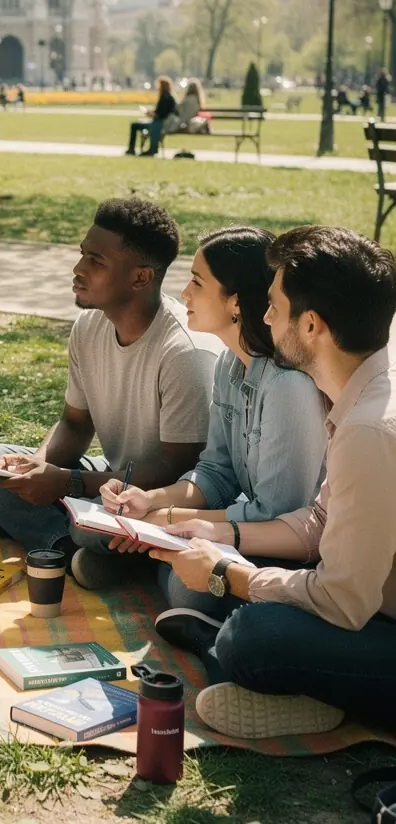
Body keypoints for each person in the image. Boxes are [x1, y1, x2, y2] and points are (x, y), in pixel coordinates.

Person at [148, 226, 396, 739]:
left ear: (311, 326)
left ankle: (303, 691)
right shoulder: (361, 394)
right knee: (232, 602)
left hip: (371, 619)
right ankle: (297, 688)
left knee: (252, 635)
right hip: (372, 610)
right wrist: (221, 537)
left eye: (275, 307)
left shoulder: (370, 427)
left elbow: (341, 601)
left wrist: (229, 575)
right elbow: (318, 523)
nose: (263, 317)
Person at [0, 198, 221, 559]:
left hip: (154, 501)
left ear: (140, 277)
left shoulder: (184, 352)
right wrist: (37, 464)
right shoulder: (88, 325)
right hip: (108, 478)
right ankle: (64, 545)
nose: (78, 268)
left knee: (92, 531)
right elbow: (75, 423)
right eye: (83, 254)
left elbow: (177, 471)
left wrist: (67, 482)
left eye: (96, 261)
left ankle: (61, 540)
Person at [79, 227, 327, 593]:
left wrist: (164, 518)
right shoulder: (228, 364)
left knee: (184, 583)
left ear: (236, 302)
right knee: (89, 528)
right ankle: (139, 561)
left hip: (278, 545)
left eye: (197, 282)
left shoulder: (288, 385)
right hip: (228, 529)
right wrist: (150, 499)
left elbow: (275, 514)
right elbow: (215, 473)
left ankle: (143, 568)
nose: (184, 293)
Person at [127, 76, 176, 156]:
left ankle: (131, 149)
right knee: (138, 124)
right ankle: (133, 149)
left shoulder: (165, 98)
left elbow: (159, 115)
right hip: (162, 122)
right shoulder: (169, 97)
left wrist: (149, 113)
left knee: (134, 125)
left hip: (159, 123)